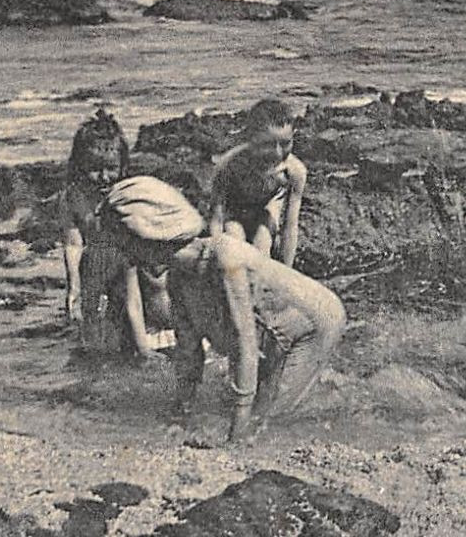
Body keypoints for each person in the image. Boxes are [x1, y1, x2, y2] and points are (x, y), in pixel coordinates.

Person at [100, 175, 346, 442]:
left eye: (126, 245)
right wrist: (178, 417)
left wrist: (235, 438)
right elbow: (189, 354)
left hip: (315, 324)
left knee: (265, 424)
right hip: (274, 329)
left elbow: (245, 345)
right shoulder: (178, 278)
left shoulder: (224, 258)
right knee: (248, 402)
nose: (127, 257)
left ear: (148, 232)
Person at [61, 108, 134, 353]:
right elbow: (73, 244)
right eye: (94, 169)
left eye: (111, 168)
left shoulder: (127, 192)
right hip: (93, 264)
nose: (103, 177)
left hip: (128, 263)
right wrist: (74, 286)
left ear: (123, 165)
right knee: (89, 321)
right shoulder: (73, 197)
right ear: (80, 165)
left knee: (128, 320)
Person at [210, 98, 308, 267]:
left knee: (262, 241)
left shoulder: (295, 171)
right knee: (234, 238)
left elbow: (291, 226)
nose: (277, 153)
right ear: (250, 139)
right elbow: (216, 218)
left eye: (285, 143)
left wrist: (288, 272)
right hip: (234, 211)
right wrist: (216, 253)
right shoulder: (228, 165)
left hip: (267, 211)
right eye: (267, 145)